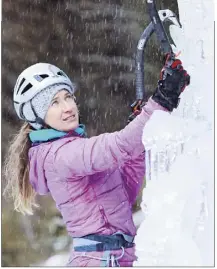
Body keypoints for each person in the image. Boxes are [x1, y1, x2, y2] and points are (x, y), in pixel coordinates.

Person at [3, 59, 190, 267]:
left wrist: (141, 131)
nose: (67, 107)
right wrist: (161, 101)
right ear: (38, 117)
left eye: (68, 97)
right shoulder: (60, 155)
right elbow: (120, 145)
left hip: (118, 258)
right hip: (99, 260)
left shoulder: (72, 148)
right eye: (54, 103)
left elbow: (123, 195)